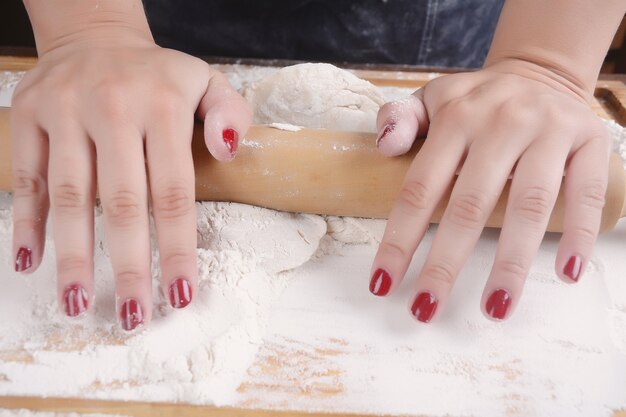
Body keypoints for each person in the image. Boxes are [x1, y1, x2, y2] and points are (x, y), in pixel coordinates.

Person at [11, 0, 626, 330]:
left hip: (436, 45)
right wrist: (91, 30)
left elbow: (548, 56)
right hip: (156, 35)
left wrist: (546, 61)